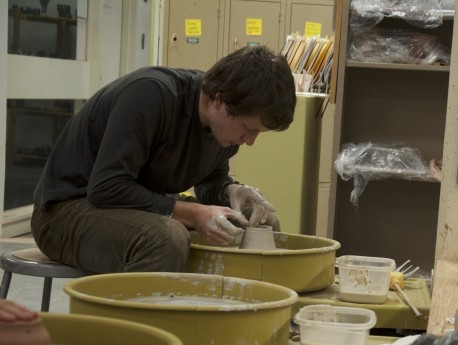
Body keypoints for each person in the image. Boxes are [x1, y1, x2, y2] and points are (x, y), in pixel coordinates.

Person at [30, 45, 296, 274]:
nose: (250, 141)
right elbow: (106, 188)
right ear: (220, 100)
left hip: (131, 204)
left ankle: (232, 320)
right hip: (65, 211)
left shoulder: (223, 132)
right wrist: (192, 213)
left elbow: (209, 180)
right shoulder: (152, 95)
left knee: (260, 222)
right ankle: (140, 333)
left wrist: (230, 191)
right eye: (249, 128)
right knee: (165, 238)